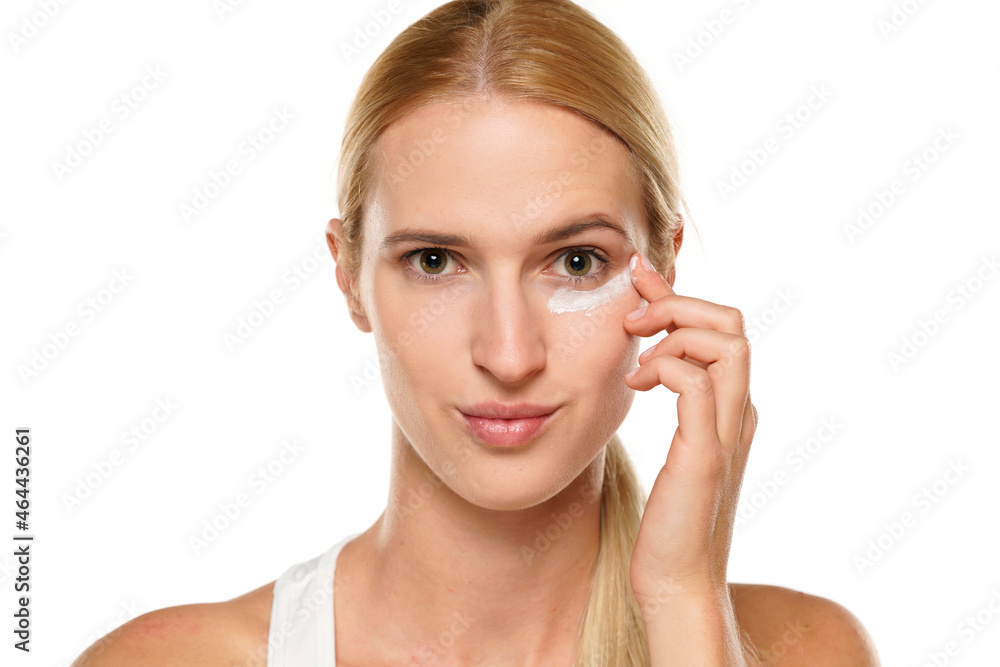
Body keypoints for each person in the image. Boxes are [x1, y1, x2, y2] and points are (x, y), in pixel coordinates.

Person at [72, 1, 880, 665]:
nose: (509, 354)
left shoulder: (809, 650)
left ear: (664, 263)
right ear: (349, 274)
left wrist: (681, 605)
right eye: (434, 261)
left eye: (575, 262)